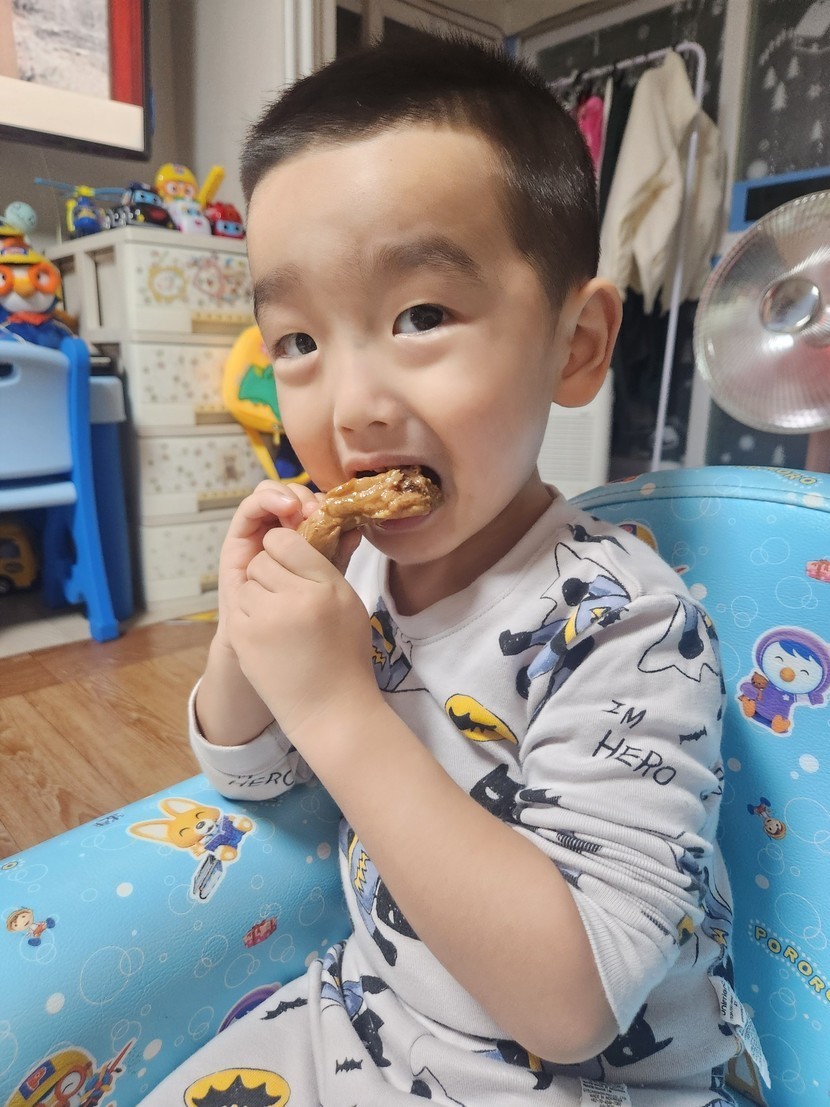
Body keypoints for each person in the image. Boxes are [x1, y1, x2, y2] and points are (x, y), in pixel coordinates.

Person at [140, 34, 755, 1107]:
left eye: (419, 316)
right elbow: (250, 777)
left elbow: (573, 1006)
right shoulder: (357, 576)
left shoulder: (627, 627)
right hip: (372, 1018)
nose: (352, 407)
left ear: (575, 345)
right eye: (296, 342)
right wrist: (249, 632)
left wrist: (338, 706)